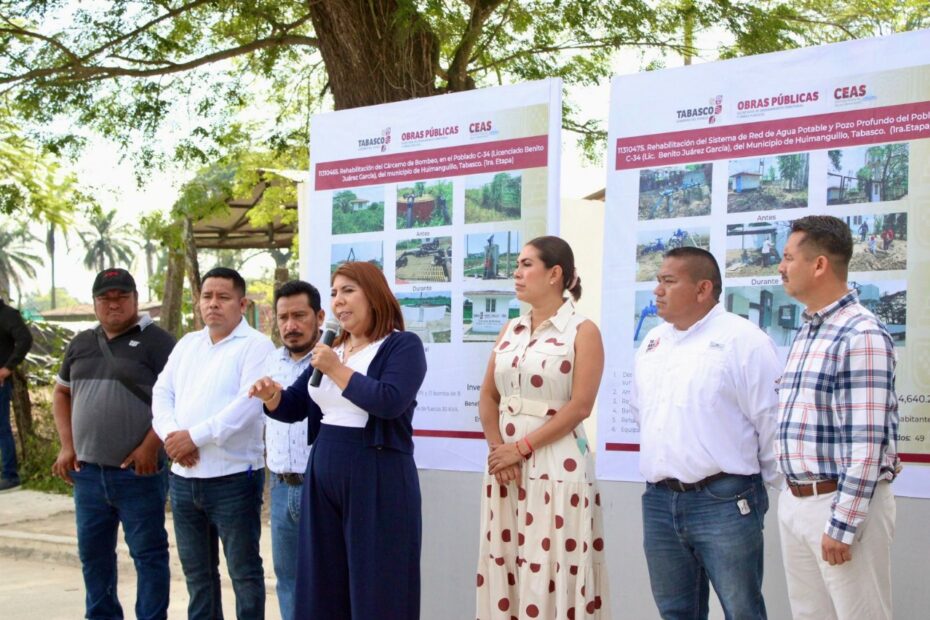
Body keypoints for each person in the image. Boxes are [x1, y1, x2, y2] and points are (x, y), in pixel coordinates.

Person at [249, 261, 426, 620]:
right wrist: (271, 397)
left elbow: (389, 401)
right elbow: (295, 404)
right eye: (333, 293)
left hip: (375, 471)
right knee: (323, 581)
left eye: (348, 290)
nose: (338, 301)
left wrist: (335, 368)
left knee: (377, 582)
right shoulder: (333, 347)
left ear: (373, 295)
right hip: (324, 471)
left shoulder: (401, 345)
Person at [632, 247, 782, 620]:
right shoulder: (653, 342)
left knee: (742, 611)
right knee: (675, 612)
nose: (657, 290)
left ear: (703, 289)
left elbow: (770, 421)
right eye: (658, 281)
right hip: (659, 500)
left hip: (724, 499)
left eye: (669, 281)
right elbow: (642, 413)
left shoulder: (744, 340)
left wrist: (768, 490)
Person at [475, 236, 610, 619]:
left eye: (526, 264)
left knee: (552, 564)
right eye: (517, 265)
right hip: (505, 468)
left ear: (555, 274)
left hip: (556, 466)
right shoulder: (510, 329)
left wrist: (520, 449)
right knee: (506, 561)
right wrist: (499, 451)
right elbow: (488, 396)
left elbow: (580, 406)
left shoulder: (582, 330)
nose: (516, 273)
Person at [776, 215, 899, 620]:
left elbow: (867, 441)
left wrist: (843, 523)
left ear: (819, 265)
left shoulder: (861, 333)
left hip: (838, 505)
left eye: (788, 257)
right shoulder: (809, 330)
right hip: (798, 501)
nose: (780, 267)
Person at [51, 268, 175, 619]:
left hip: (138, 474)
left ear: (136, 299)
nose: (113, 304)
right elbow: (61, 393)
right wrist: (67, 446)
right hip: (88, 474)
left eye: (121, 297)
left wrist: (151, 445)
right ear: (95, 303)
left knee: (148, 556)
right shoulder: (81, 343)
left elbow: (179, 400)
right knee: (94, 557)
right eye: (105, 298)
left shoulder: (159, 342)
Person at [152, 267, 274, 619]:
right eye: (207, 296)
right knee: (198, 576)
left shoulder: (257, 346)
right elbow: (161, 393)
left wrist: (193, 438)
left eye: (223, 297)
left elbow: (247, 406)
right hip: (184, 479)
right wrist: (173, 437)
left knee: (244, 573)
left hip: (233, 479)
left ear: (242, 303)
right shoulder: (188, 344)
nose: (213, 304)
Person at [263, 280, 324, 620]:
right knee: (287, 581)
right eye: (284, 317)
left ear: (320, 317)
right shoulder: (269, 362)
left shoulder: (333, 361)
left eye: (299, 316)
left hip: (320, 488)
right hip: (280, 486)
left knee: (326, 580)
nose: (291, 325)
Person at [0, 295, 32, 491]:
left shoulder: (8, 315)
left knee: (2, 428)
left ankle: (10, 476)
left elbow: (25, 339)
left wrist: (8, 367)